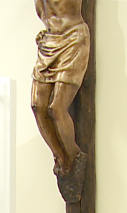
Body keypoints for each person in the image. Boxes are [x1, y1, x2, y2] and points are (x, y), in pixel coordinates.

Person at [30, 0, 89, 202]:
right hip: (49, 42)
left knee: (57, 108)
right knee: (37, 106)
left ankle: (74, 157)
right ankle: (61, 158)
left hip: (72, 39)